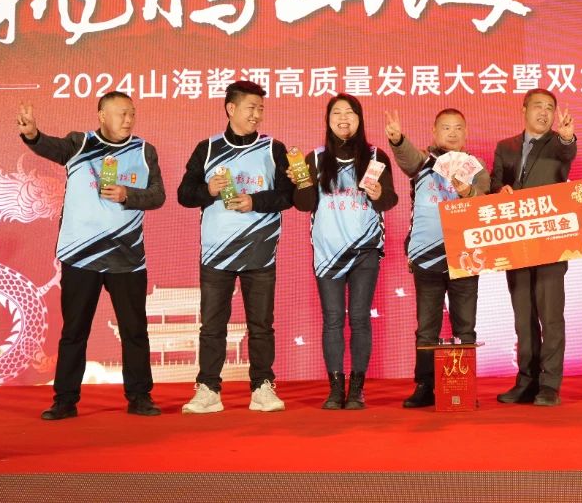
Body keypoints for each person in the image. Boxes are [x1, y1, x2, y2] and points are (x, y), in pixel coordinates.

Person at [17, 92, 164, 420]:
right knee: (74, 331)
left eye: (132, 113)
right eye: (121, 113)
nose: (128, 119)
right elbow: (50, 147)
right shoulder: (79, 144)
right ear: (102, 115)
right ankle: (65, 400)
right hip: (80, 256)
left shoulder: (144, 151)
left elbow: (157, 196)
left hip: (126, 257)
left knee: (134, 331)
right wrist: (32, 135)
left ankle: (140, 396)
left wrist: (127, 194)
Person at [177, 80, 295, 414]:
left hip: (260, 251)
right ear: (231, 108)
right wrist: (208, 190)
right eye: (251, 107)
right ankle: (208, 389)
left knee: (261, 326)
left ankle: (262, 387)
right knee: (212, 326)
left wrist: (254, 201)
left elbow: (288, 196)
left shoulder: (274, 148)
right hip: (217, 253)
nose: (257, 114)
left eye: (261, 108)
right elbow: (185, 195)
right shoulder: (207, 148)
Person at [292, 93, 398, 410]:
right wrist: (301, 183)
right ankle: (335, 389)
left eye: (349, 112)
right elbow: (304, 205)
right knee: (333, 319)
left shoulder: (376, 156)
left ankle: (357, 390)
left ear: (359, 119)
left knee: (361, 317)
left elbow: (388, 200)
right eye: (336, 113)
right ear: (328, 120)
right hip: (328, 251)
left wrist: (378, 194)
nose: (343, 118)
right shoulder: (314, 159)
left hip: (365, 248)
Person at [386, 107, 490, 408]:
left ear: (466, 133)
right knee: (427, 327)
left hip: (465, 256)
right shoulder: (423, 161)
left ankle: (465, 387)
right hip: (426, 256)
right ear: (434, 132)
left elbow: (484, 199)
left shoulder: (475, 166)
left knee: (465, 326)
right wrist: (398, 140)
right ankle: (424, 386)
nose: (453, 133)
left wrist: (467, 191)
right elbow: (407, 158)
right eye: (446, 128)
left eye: (458, 128)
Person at [489, 88, 577, 407]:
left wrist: (567, 138)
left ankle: (550, 384)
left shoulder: (559, 142)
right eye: (538, 106)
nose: (544, 112)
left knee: (550, 315)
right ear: (523, 109)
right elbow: (494, 183)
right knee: (523, 316)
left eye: (550, 107)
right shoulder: (506, 146)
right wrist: (500, 192)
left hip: (550, 240)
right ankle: (527, 381)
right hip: (516, 242)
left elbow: (568, 152)